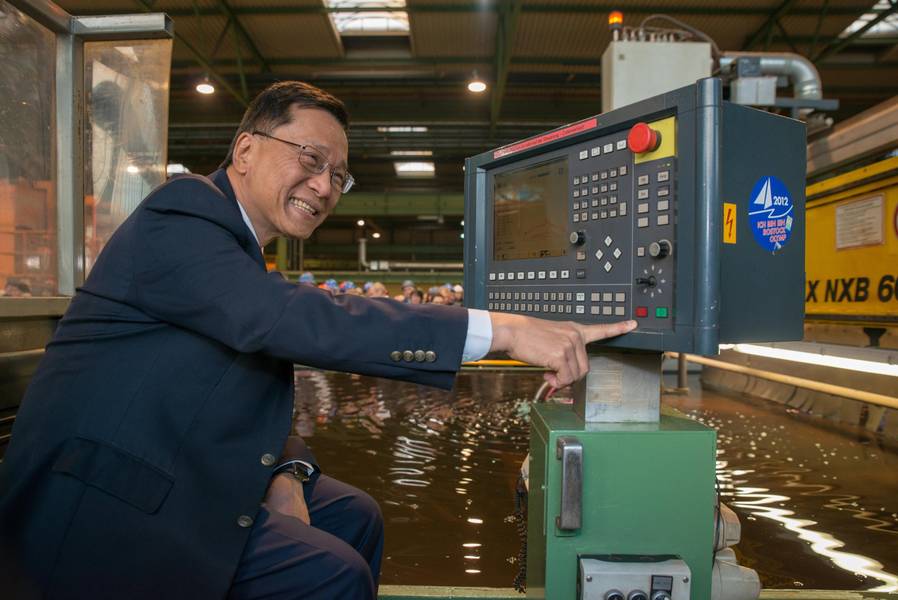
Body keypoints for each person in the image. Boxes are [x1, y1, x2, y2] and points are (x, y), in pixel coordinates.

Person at [0, 81, 636, 600]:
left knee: (355, 514)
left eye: (339, 175)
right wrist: (505, 330)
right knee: (331, 574)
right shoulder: (182, 216)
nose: (327, 185)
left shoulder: (240, 252)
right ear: (245, 150)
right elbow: (289, 320)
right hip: (104, 498)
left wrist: (287, 470)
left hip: (173, 457)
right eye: (310, 160)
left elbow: (249, 382)